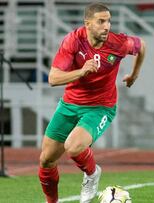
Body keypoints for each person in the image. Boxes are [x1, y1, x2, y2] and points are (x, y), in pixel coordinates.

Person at [38, 3, 146, 203]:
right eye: (101, 21)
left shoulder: (119, 43)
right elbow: (53, 78)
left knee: (73, 147)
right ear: (87, 24)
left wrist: (134, 74)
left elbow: (142, 46)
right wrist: (81, 71)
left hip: (100, 107)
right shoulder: (73, 40)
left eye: (109, 21)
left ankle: (92, 173)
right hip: (69, 104)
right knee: (46, 160)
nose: (107, 26)